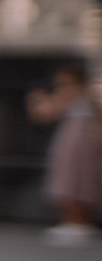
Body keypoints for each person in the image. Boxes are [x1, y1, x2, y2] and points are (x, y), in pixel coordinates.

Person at [28, 59, 99, 247]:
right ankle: (74, 221)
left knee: (77, 180)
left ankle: (79, 222)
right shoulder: (81, 97)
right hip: (74, 140)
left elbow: (45, 112)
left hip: (81, 142)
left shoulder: (80, 96)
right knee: (71, 179)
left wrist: (38, 100)